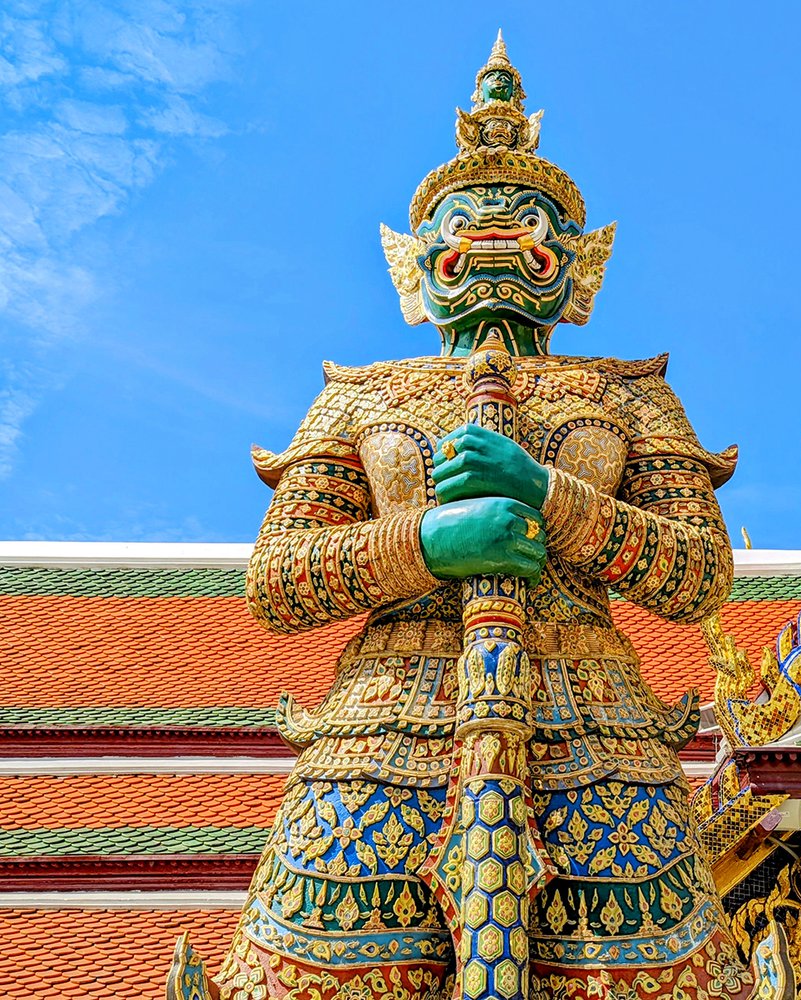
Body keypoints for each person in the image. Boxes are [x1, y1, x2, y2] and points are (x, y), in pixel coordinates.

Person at [216, 33, 753, 1000]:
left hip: (597, 739)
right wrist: (427, 542)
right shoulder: (359, 397)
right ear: (418, 263)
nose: (501, 226)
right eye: (470, 215)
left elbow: (699, 574)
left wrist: (555, 500)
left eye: (530, 216)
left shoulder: (630, 396)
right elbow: (276, 581)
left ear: (579, 266)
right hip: (383, 743)